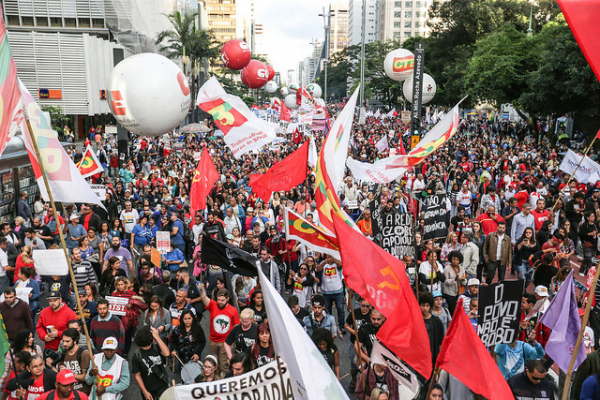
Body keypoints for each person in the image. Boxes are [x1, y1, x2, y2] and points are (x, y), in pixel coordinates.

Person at [199, 285, 240, 376]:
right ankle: (214, 380)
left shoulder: (233, 310)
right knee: (213, 362)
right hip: (213, 340)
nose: (220, 302)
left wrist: (233, 342)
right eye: (218, 300)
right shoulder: (213, 305)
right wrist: (202, 290)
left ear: (227, 299)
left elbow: (237, 327)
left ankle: (223, 382)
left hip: (225, 342)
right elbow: (204, 298)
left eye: (222, 300)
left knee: (224, 365)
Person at [132, 326, 170, 400]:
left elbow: (167, 353)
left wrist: (158, 337)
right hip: (148, 388)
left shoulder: (156, 347)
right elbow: (137, 376)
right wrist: (144, 391)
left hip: (162, 384)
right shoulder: (137, 356)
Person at [53, 328, 91, 395]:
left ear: (75, 341)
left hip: (82, 392)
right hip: (67, 393)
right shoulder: (64, 354)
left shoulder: (84, 353)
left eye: (67, 341)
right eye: (63, 341)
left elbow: (86, 377)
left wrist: (69, 372)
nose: (64, 344)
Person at [316, 255, 346, 334]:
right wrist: (324, 263)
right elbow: (318, 269)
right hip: (326, 292)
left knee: (340, 309)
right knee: (327, 310)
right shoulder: (323, 263)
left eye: (330, 257)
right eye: (328, 257)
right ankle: (329, 326)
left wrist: (333, 258)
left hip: (338, 291)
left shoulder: (337, 264)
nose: (329, 258)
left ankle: (341, 326)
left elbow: (340, 264)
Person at [419, 292, 444, 367]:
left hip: (433, 356)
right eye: (423, 305)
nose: (425, 308)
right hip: (420, 357)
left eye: (427, 305)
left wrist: (440, 358)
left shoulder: (436, 321)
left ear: (430, 306)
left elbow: (440, 342)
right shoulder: (416, 320)